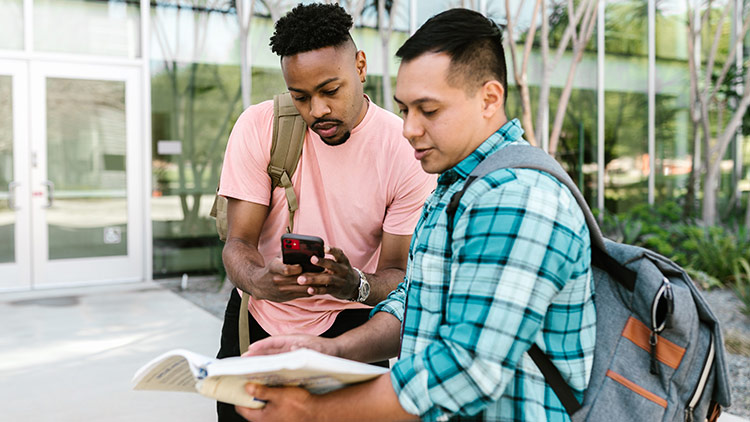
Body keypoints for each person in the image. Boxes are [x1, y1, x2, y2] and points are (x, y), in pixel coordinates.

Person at [235, 8, 596, 422]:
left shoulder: (518, 198)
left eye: (429, 110)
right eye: (405, 110)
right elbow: (416, 302)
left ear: (489, 99)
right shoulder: (456, 187)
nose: (408, 129)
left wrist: (314, 410)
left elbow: (468, 370)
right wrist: (332, 350)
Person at [216, 3, 435, 421]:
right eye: (301, 97)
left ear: (360, 66)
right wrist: (262, 281)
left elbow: (397, 275)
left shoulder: (405, 150)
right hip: (257, 322)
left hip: (353, 330)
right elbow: (238, 243)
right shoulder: (260, 126)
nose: (317, 110)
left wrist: (354, 284)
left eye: (330, 91)